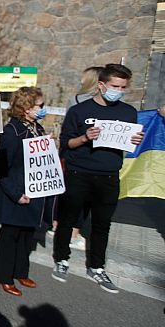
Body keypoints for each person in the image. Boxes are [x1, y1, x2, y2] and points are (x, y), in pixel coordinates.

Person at [52, 64, 144, 293]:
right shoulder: (79, 111)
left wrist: (134, 141)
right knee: (68, 218)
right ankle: (61, 259)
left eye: (123, 87)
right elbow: (66, 144)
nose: (119, 91)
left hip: (109, 176)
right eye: (115, 86)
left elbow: (128, 144)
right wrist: (85, 137)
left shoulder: (128, 112)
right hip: (79, 173)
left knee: (102, 224)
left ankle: (97, 267)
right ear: (101, 85)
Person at [0, 87, 47, 296]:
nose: (43, 109)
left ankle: (21, 272)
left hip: (34, 191)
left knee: (26, 236)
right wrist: (16, 194)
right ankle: (3, 276)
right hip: (14, 194)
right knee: (10, 236)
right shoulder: (11, 132)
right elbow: (1, 169)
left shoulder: (37, 128)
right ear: (25, 108)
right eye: (39, 106)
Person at [50, 66, 104, 251]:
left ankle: (57, 223)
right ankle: (72, 232)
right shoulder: (88, 103)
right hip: (86, 155)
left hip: (71, 153)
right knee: (82, 197)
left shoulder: (75, 100)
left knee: (66, 192)